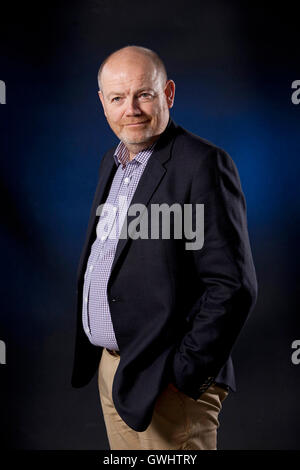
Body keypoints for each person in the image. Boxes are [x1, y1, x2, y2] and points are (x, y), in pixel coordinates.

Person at [71, 45, 258, 450]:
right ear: (103, 103)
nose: (131, 109)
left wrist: (182, 373)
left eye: (144, 94)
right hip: (115, 372)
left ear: (168, 94)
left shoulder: (203, 163)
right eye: (118, 98)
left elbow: (233, 284)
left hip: (165, 383)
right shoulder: (114, 161)